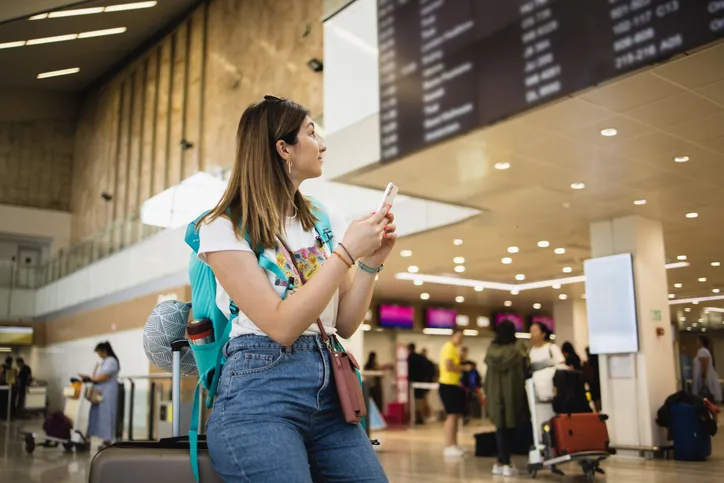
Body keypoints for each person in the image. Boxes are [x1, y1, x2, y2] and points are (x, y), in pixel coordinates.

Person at [197, 96, 395, 482]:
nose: (321, 143)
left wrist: (371, 261)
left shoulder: (324, 217)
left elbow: (346, 324)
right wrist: (346, 253)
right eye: (311, 132)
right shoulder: (223, 226)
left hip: (330, 391)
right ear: (283, 148)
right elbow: (281, 326)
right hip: (259, 393)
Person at [485, 320, 530, 477]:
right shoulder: (518, 347)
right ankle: (505, 461)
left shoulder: (491, 349)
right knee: (511, 425)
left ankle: (501, 461)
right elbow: (526, 368)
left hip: (495, 392)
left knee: (500, 426)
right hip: (513, 391)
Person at [80, 341, 120, 450]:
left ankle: (107, 441)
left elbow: (104, 377)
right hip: (98, 395)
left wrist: (90, 379)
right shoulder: (103, 362)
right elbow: (96, 376)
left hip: (107, 394)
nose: (98, 355)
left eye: (99, 352)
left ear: (104, 351)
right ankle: (88, 437)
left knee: (106, 417)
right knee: (95, 416)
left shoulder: (111, 361)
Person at [438, 327, 467, 457]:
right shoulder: (448, 347)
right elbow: (449, 366)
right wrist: (464, 367)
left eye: (462, 338)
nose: (460, 340)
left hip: (454, 385)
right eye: (459, 337)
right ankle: (449, 445)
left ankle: (454, 443)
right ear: (452, 336)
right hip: (447, 385)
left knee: (455, 416)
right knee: (451, 416)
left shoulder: (455, 349)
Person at [692, 335, 722, 403]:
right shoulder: (702, 351)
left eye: (698, 340)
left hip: (704, 378)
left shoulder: (703, 351)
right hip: (702, 377)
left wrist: (703, 379)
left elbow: (704, 366)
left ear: (701, 341)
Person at [408, 343, 433, 424]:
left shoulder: (409, 358)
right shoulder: (421, 358)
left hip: (414, 382)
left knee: (417, 401)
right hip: (422, 381)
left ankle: (417, 417)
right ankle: (421, 417)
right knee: (421, 400)